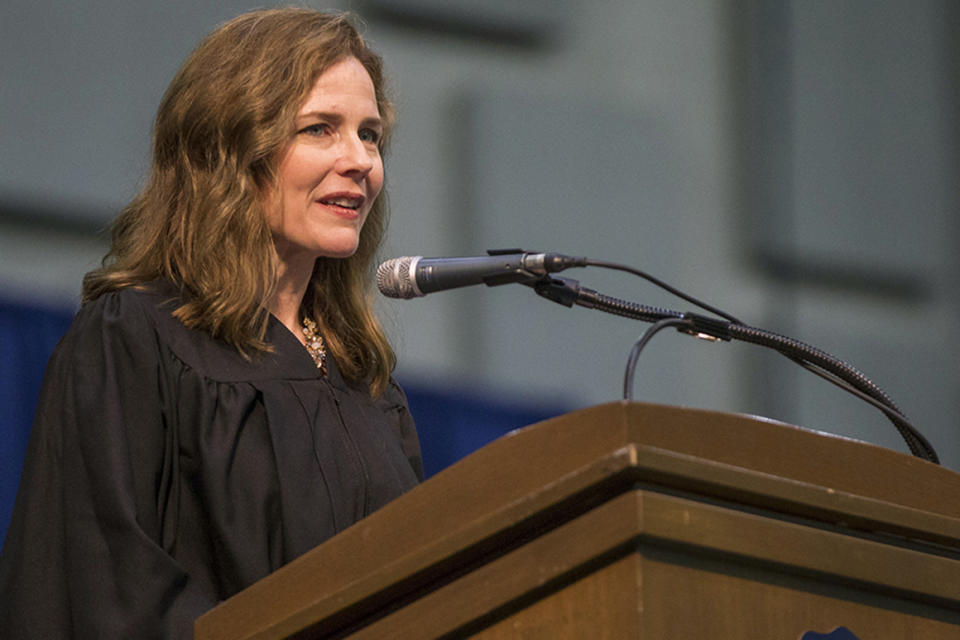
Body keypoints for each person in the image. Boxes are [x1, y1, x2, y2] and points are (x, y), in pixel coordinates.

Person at [0, 8, 423, 638]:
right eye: (319, 129)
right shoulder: (134, 341)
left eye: (370, 134)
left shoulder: (368, 388)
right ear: (228, 150)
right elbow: (103, 587)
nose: (360, 160)